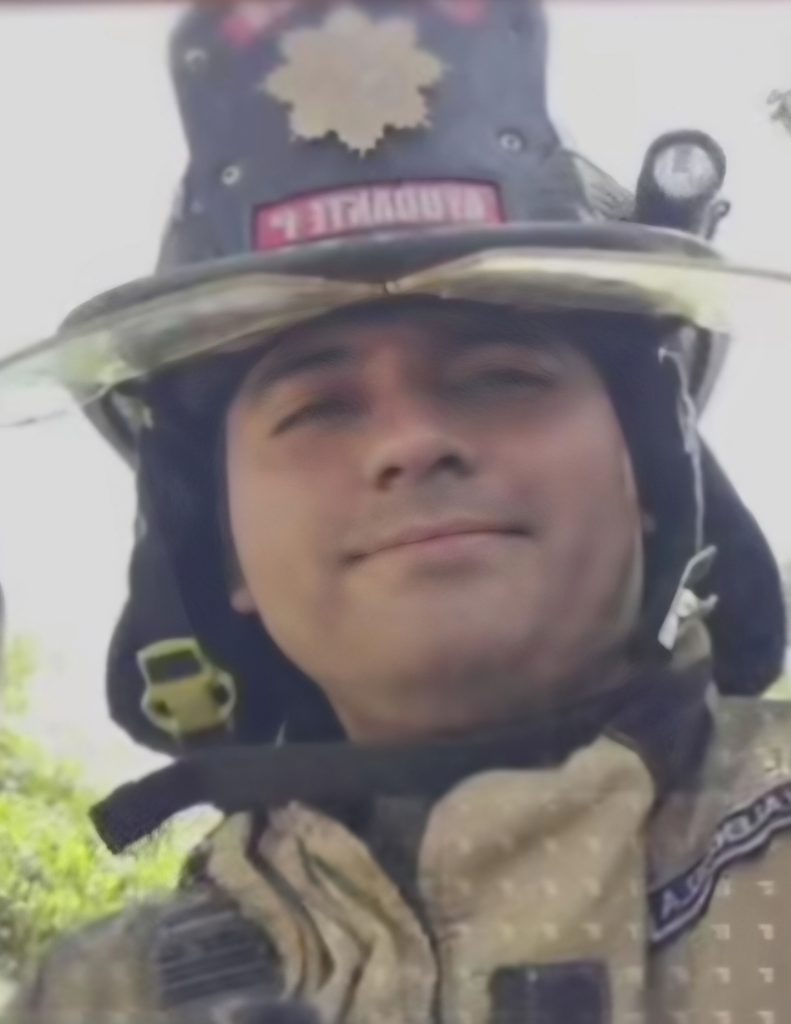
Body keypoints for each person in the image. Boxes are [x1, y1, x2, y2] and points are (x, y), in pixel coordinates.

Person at [2, 1, 790, 1022]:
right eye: (318, 407)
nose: (410, 440)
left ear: (647, 469)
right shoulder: (95, 1000)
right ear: (222, 545)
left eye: (500, 375)